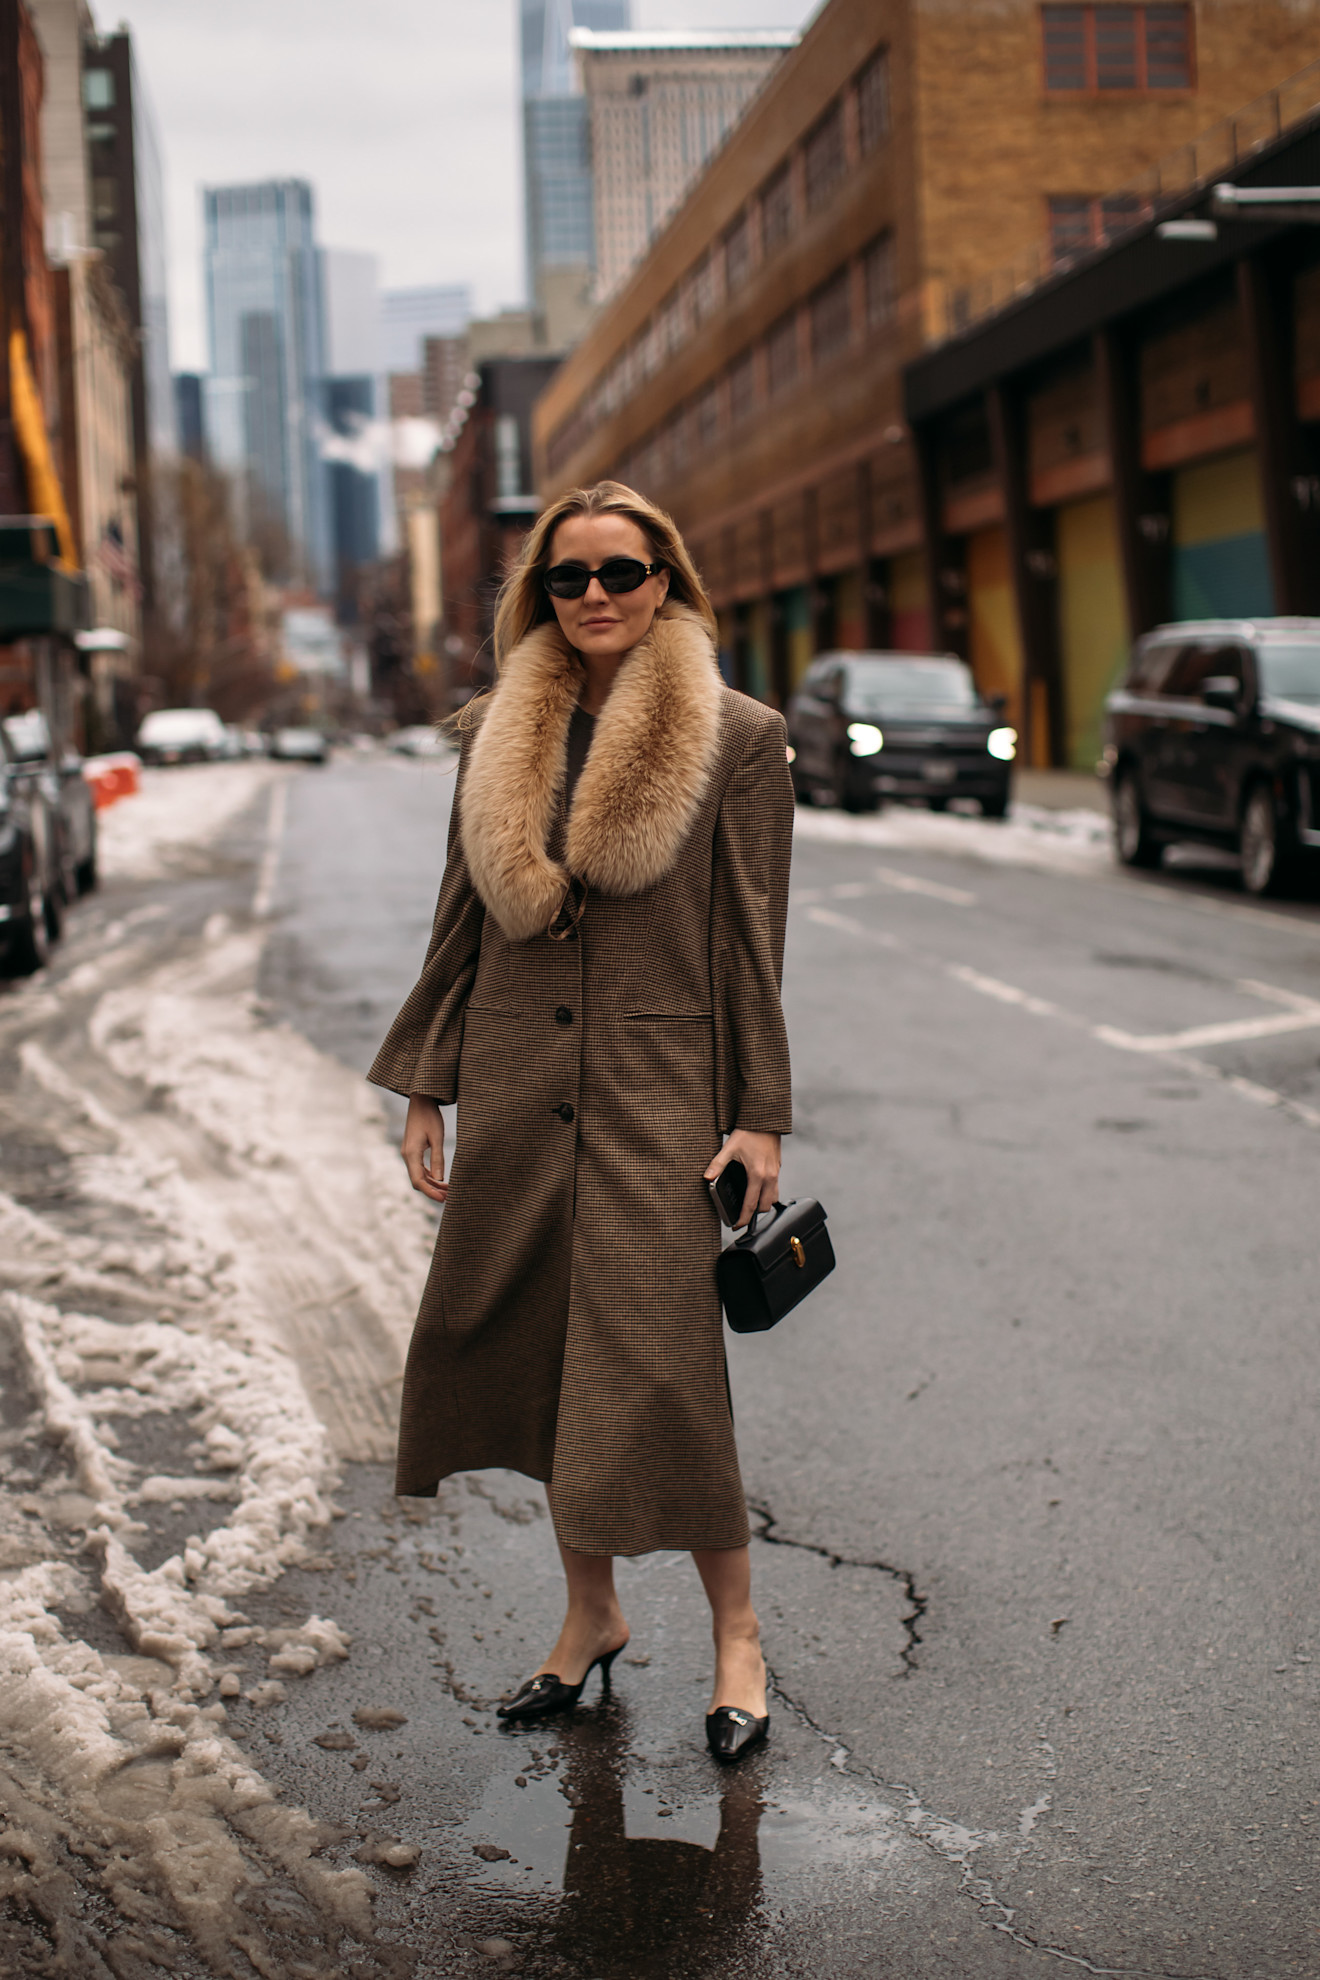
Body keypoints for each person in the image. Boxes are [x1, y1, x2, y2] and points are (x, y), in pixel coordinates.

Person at [369, 479, 794, 1763]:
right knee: (545, 1362)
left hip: (660, 1098)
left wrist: (759, 1115)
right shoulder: (496, 729)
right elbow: (459, 919)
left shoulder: (737, 734)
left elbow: (750, 942)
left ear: (666, 578)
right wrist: (428, 1083)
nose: (597, 595)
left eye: (622, 571)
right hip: (514, 1080)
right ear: (539, 593)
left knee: (665, 1372)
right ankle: (589, 1615)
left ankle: (738, 1640)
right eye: (570, 576)